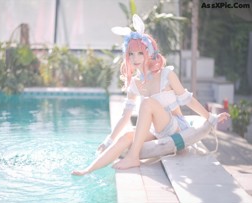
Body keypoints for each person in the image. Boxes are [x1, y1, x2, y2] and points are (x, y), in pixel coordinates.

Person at [71, 14, 230, 176]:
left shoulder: (167, 75)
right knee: (127, 136)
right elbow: (125, 117)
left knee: (147, 103)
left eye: (140, 53)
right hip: (157, 131)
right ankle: (88, 170)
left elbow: (187, 100)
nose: (135, 58)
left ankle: (133, 157)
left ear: (149, 52)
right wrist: (108, 141)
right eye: (131, 54)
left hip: (176, 127)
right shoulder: (135, 83)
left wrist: (211, 117)